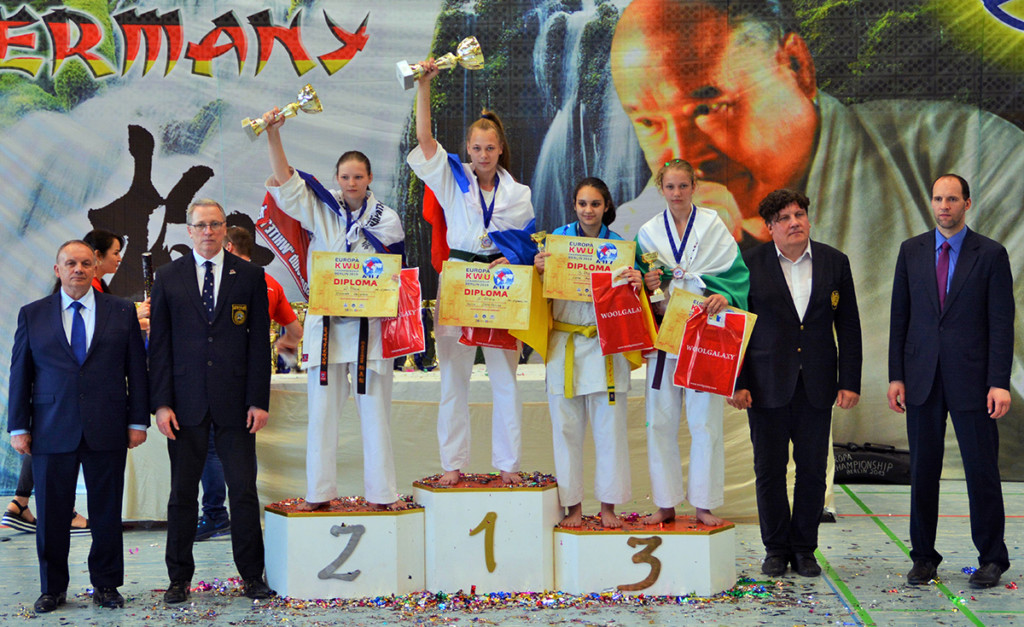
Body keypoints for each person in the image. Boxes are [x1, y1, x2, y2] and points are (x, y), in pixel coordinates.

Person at [609, 0, 1024, 457]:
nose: (685, 149)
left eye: (710, 105)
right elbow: (640, 351)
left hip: (944, 460)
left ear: (797, 66)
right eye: (648, 123)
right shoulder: (651, 227)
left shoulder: (969, 155)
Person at [262, 108, 405, 510]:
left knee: (374, 413)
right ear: (337, 179)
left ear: (370, 178)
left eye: (358, 176)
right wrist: (273, 134)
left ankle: (382, 495)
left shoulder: (387, 220)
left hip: (368, 330)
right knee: (322, 413)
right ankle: (319, 494)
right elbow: (286, 181)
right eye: (345, 177)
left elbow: (394, 276)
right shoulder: (322, 209)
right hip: (325, 327)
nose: (351, 183)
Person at [407, 58, 535, 486]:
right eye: (477, 148)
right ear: (468, 148)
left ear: (500, 149)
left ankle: (509, 465)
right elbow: (424, 139)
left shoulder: (518, 193)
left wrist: (513, 260)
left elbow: (528, 245)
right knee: (453, 379)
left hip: (499, 284)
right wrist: (423, 85)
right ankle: (452, 464)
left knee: (505, 379)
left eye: (490, 148)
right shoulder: (452, 178)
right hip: (459, 280)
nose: (483, 155)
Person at [887, 174, 1014, 589]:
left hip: (974, 381)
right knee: (923, 471)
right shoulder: (911, 251)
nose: (944, 206)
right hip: (921, 378)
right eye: (938, 199)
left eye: (952, 199)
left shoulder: (990, 254)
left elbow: (1001, 323)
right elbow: (900, 318)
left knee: (981, 471)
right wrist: (896, 376)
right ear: (932, 203)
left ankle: (992, 558)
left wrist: (999, 381)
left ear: (967, 204)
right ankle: (923, 557)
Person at [8, 240, 149, 612]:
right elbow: (20, 374)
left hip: (108, 425)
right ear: (58, 270)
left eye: (86, 263)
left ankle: (107, 585)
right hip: (51, 428)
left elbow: (136, 369)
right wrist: (18, 427)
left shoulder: (121, 311)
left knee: (106, 512)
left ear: (96, 268)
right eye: (70, 263)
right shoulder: (32, 314)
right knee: (51, 515)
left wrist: (138, 420)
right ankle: (52, 589)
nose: (78, 269)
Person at [728, 189, 862, 577]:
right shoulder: (749, 263)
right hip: (765, 384)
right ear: (769, 228)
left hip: (817, 384)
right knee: (769, 470)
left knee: (813, 472)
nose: (794, 223)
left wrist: (849, 380)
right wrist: (737, 381)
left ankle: (804, 548)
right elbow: (736, 327)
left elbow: (848, 326)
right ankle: (775, 548)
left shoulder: (835, 262)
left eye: (799, 214)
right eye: (784, 218)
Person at [148, 199, 275, 603]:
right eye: (201, 225)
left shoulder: (250, 275)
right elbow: (160, 346)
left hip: (236, 403)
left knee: (243, 491)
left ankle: (252, 576)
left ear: (225, 229)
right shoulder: (168, 276)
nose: (208, 231)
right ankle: (178, 579)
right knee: (183, 495)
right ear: (188, 231)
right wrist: (161, 404)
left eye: (215, 224)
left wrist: (258, 400)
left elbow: (259, 345)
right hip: (184, 404)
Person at [636, 159, 748, 526]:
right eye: (670, 187)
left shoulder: (713, 226)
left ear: (694, 187)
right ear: (661, 189)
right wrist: (647, 283)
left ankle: (704, 504)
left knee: (705, 423)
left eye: (683, 186)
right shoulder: (648, 232)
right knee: (660, 422)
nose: (677, 193)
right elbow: (636, 283)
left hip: (704, 335)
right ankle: (665, 503)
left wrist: (724, 295)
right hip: (664, 335)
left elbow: (736, 276)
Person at [534, 178, 641, 528]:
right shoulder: (557, 242)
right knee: (565, 431)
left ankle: (608, 506)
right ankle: (573, 506)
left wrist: (637, 283)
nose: (588, 210)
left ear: (606, 206)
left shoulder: (620, 247)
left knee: (610, 431)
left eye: (595, 204)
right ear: (574, 205)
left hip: (606, 346)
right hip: (564, 344)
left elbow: (631, 301)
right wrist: (539, 271)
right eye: (582, 203)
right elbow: (542, 293)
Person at [194, 226, 305, 540]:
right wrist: (284, 351)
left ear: (228, 246)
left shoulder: (217, 279)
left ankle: (215, 515)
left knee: (212, 448)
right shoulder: (268, 282)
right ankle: (242, 517)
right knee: (242, 449)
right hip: (253, 377)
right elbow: (295, 331)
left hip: (217, 376)